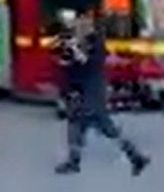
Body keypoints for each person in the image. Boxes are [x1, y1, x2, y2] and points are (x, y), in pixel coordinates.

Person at [54, 10, 150, 176]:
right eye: (77, 25)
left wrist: (74, 51)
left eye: (82, 25)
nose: (78, 27)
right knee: (77, 127)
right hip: (80, 91)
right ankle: (74, 161)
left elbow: (88, 63)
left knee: (102, 126)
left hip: (90, 92)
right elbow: (67, 64)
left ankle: (135, 156)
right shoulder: (75, 41)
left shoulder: (95, 44)